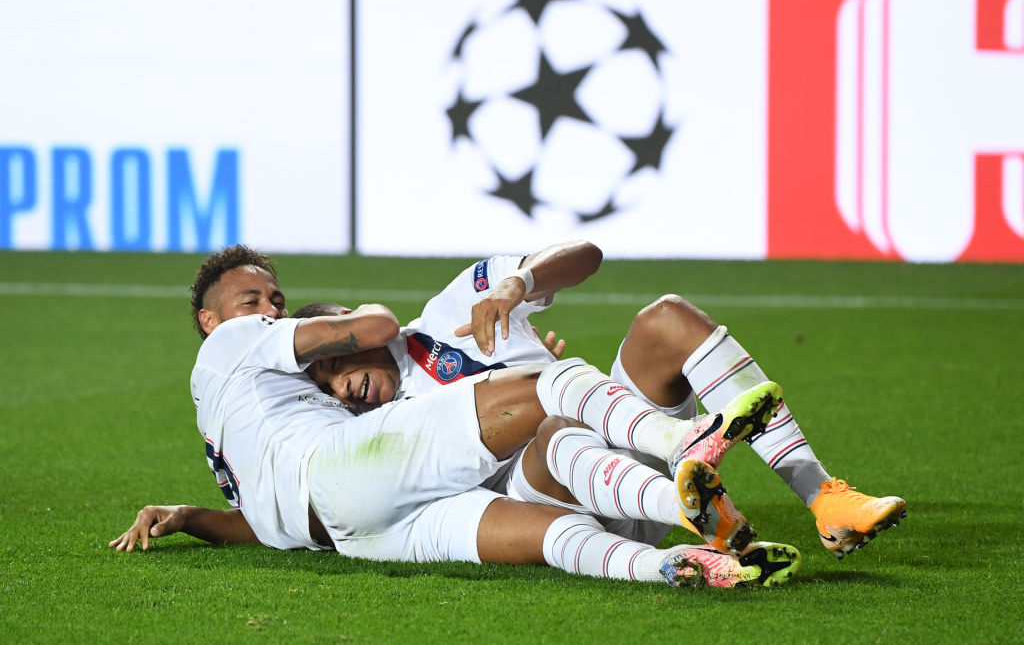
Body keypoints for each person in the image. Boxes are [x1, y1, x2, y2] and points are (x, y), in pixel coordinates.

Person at [111, 245, 801, 589]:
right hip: (349, 481)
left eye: (275, 297)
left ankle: (673, 563)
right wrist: (351, 326)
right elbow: (378, 321)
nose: (268, 309)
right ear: (210, 321)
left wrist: (191, 516)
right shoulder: (240, 344)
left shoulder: (231, 422)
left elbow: (270, 519)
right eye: (250, 300)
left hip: (352, 536)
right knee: (548, 390)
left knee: (545, 534)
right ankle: (683, 441)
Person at [299, 243, 906, 559]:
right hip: (556, 505)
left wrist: (520, 283)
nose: (336, 384)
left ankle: (826, 500)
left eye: (332, 360)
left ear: (357, 326)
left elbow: (585, 255)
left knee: (665, 320)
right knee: (552, 421)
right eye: (321, 383)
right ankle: (690, 489)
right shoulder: (366, 439)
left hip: (625, 444)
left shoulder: (451, 313)